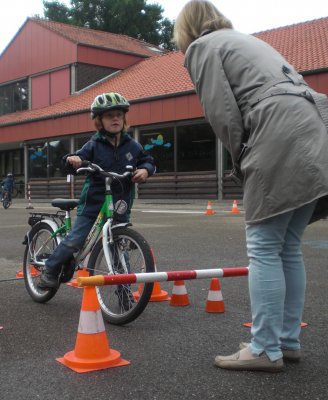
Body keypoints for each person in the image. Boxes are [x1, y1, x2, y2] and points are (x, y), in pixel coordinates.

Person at [174, 0, 328, 372]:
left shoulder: (202, 47)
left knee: (262, 246)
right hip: (314, 125)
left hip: (276, 129)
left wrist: (240, 158)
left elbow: (222, 112)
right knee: (288, 247)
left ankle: (264, 348)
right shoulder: (243, 40)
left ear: (186, 30)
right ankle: (285, 341)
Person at [39, 92, 156, 297]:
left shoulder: (132, 146)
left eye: (119, 114)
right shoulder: (94, 144)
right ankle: (49, 268)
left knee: (119, 247)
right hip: (93, 204)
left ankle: (124, 290)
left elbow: (148, 160)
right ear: (99, 121)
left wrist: (145, 169)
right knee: (76, 239)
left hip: (120, 204)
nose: (115, 119)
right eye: (109, 115)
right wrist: (73, 159)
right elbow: (75, 158)